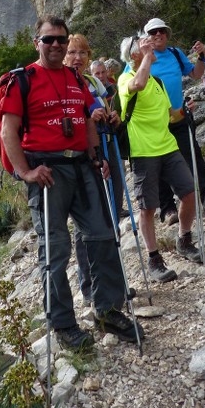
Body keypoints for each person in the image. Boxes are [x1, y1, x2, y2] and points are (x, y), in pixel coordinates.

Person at [0, 15, 143, 349]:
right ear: (36, 42)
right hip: (46, 171)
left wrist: (97, 158)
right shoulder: (21, 80)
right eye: (48, 39)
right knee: (55, 250)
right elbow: (9, 130)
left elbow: (85, 120)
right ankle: (63, 324)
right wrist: (26, 173)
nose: (56, 45)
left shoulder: (75, 79)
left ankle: (107, 310)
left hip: (82, 165)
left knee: (103, 234)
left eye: (61, 40)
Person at [118, 34, 205, 282]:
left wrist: (184, 111)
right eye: (144, 45)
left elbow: (170, 115)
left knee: (189, 192)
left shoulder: (156, 81)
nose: (151, 45)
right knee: (148, 207)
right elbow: (138, 84)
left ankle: (184, 239)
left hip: (167, 147)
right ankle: (154, 258)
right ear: (134, 54)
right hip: (143, 152)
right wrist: (146, 57)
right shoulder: (125, 80)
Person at [143, 17, 205, 223]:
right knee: (158, 163)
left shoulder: (175, 54)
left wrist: (201, 57)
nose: (158, 34)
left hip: (179, 117)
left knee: (192, 155)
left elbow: (195, 75)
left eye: (161, 31)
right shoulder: (141, 60)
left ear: (167, 34)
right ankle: (168, 209)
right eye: (153, 32)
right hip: (153, 122)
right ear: (146, 37)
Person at [64, 36, 127, 306]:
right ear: (64, 56)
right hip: (82, 155)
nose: (78, 57)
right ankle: (90, 286)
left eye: (83, 52)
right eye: (72, 52)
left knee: (111, 216)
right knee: (86, 226)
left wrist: (111, 117)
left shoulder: (93, 83)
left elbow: (103, 107)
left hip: (105, 145)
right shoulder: (63, 83)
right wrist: (90, 120)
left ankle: (113, 284)